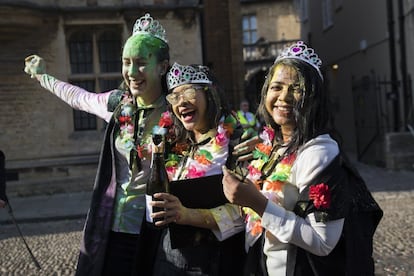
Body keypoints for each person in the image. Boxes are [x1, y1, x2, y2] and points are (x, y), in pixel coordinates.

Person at [24, 13, 170, 276]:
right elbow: (79, 97)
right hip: (113, 227)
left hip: (156, 232)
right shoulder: (118, 104)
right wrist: (43, 77)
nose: (132, 72)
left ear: (162, 66)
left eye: (140, 62)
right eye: (126, 63)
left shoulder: (178, 112)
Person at [222, 41, 383, 275]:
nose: (284, 97)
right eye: (276, 87)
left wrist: (256, 202)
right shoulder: (270, 147)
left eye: (297, 89)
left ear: (314, 98)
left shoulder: (319, 153)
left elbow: (322, 242)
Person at [149, 63, 246, 275]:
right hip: (168, 259)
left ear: (209, 95)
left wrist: (187, 215)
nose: (181, 102)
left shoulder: (236, 144)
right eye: (174, 97)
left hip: (213, 262)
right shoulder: (175, 146)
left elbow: (246, 213)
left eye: (189, 92)